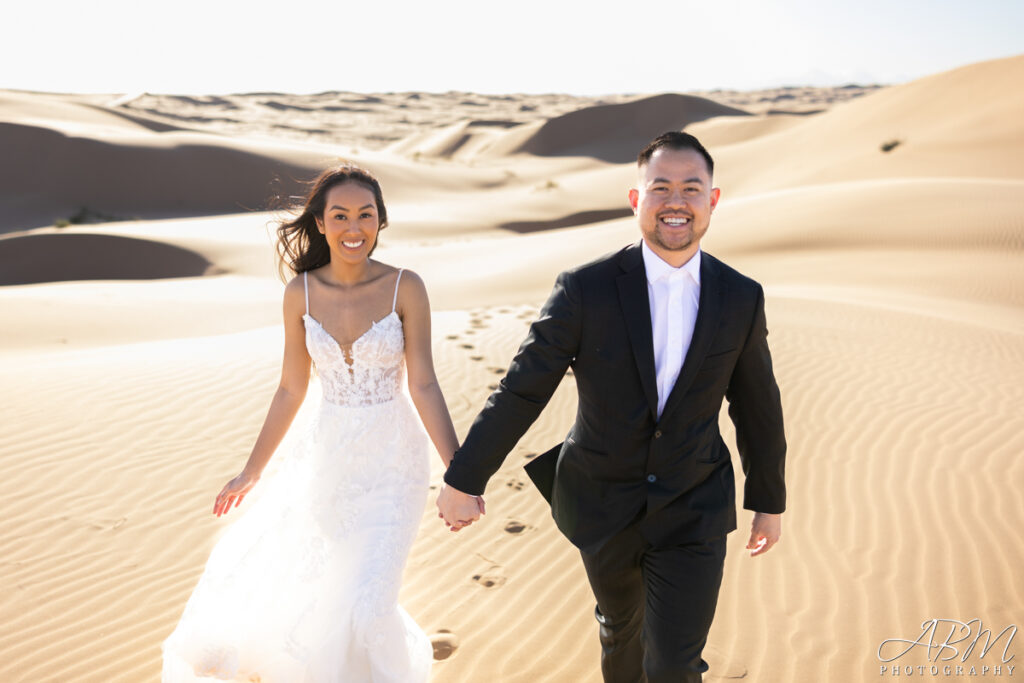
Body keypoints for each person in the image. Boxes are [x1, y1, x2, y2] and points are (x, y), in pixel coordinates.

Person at [437, 131, 787, 682]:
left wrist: (768, 498)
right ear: (636, 199)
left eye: (691, 188)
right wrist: (466, 477)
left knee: (674, 660)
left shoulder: (741, 296)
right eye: (661, 188)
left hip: (694, 502)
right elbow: (524, 388)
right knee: (622, 633)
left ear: (712, 200)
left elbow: (757, 403)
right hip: (602, 502)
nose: (676, 202)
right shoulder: (586, 289)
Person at [162, 165, 474, 682]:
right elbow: (291, 388)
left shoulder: (405, 287)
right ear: (322, 224)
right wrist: (251, 470)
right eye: (341, 215)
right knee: (331, 594)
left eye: (366, 214)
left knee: (371, 604)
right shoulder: (300, 294)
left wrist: (459, 472)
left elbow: (423, 384)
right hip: (326, 459)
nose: (355, 227)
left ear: (381, 221)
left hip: (394, 462)